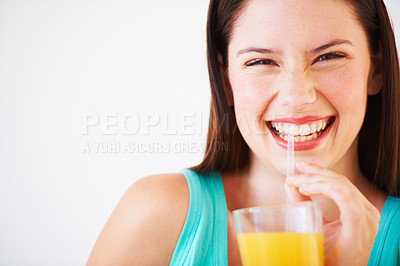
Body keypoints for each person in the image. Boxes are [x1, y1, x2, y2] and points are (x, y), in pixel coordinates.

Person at [87, 0, 400, 265]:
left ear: (376, 69)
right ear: (226, 79)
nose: (295, 95)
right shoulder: (156, 212)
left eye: (329, 56)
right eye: (261, 61)